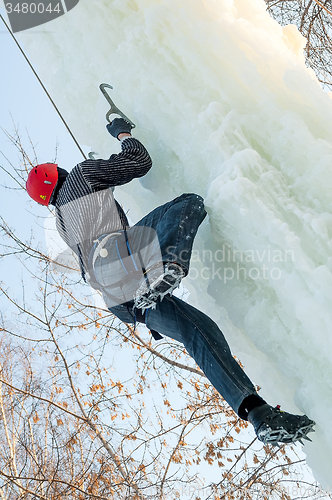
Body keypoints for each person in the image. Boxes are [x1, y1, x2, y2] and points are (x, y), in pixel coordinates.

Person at [26, 118, 315, 446]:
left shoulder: (63, 222)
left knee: (200, 332)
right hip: (115, 258)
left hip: (119, 299)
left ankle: (259, 415)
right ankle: (168, 266)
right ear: (60, 173)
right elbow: (139, 161)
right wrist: (122, 133)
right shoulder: (81, 174)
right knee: (187, 204)